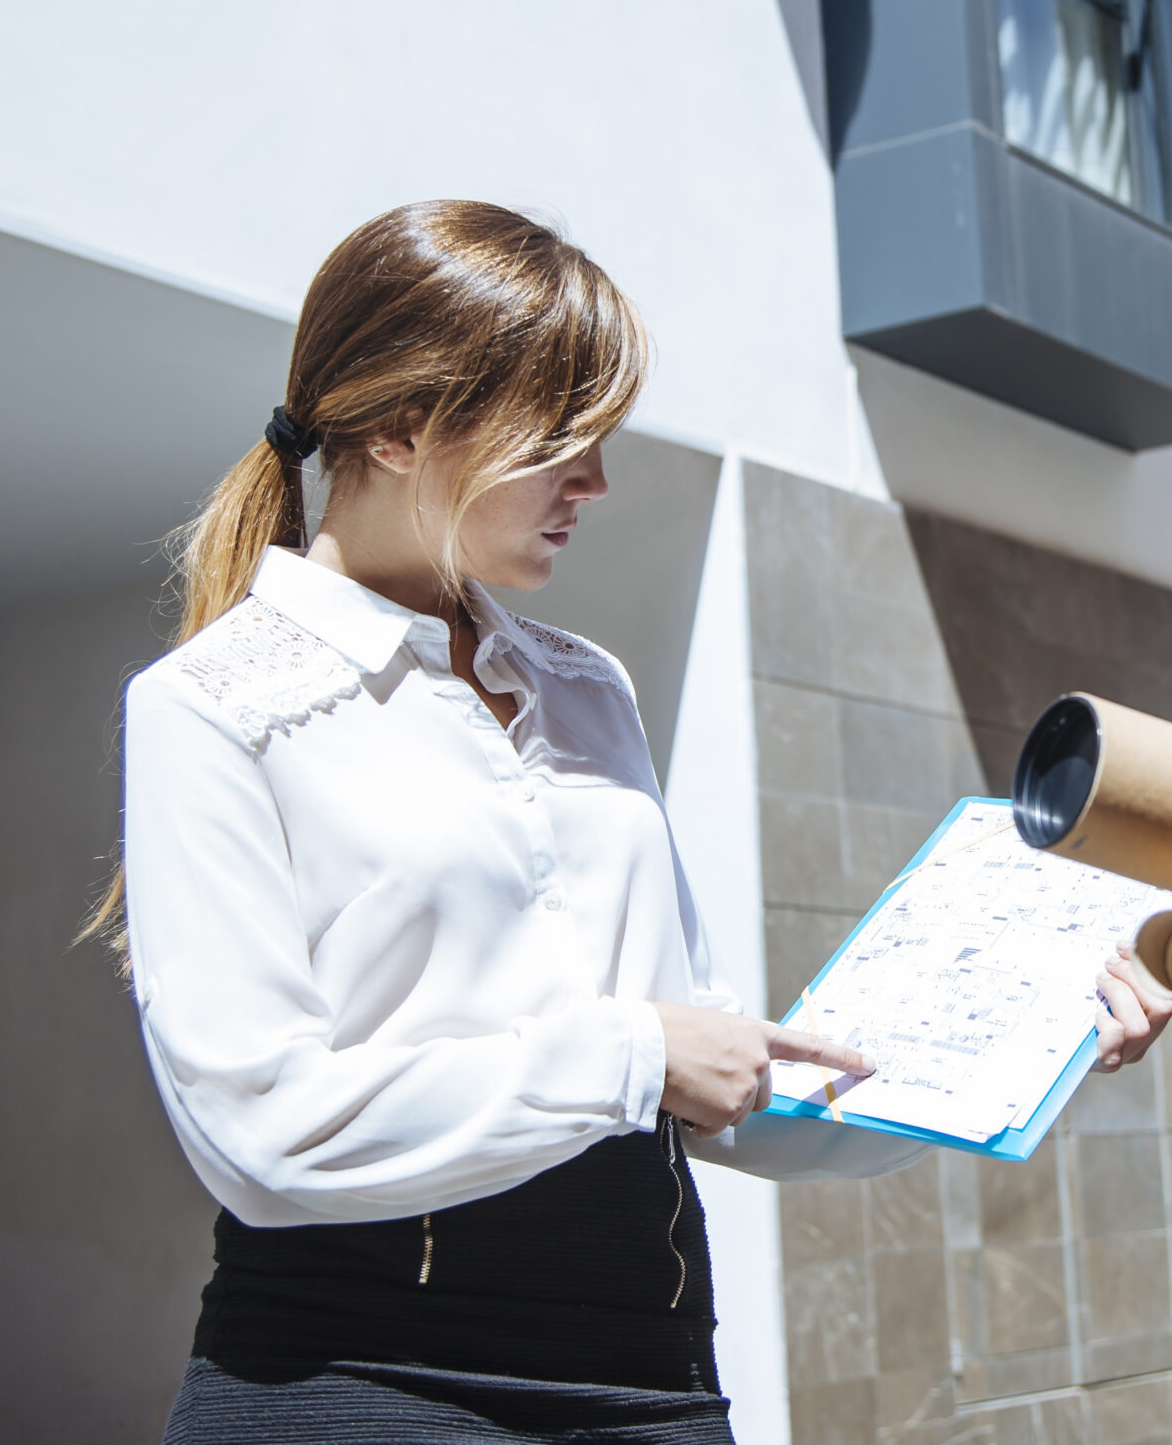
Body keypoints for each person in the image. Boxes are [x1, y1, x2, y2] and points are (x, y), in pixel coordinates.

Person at [97, 201, 932, 1444]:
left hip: (651, 1380)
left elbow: (701, 1068)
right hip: (356, 1388)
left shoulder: (589, 688)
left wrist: (997, 1059)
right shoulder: (212, 708)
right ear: (399, 426)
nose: (597, 482)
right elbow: (262, 1133)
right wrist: (635, 1058)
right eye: (563, 440)